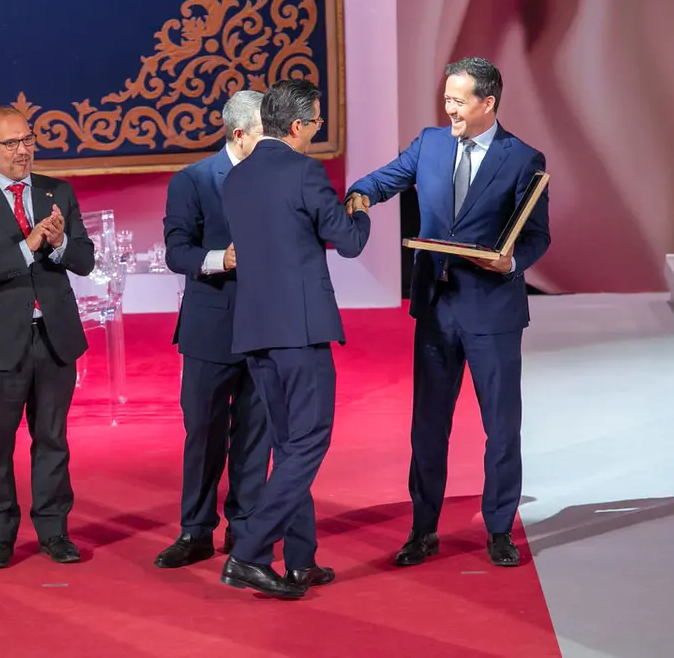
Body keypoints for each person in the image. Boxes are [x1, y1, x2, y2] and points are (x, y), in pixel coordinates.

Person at [345, 57, 549, 568]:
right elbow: (387, 179)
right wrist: (361, 195)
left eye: (458, 101)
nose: (449, 109)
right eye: (446, 99)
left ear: (488, 103)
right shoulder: (430, 144)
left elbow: (537, 235)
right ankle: (423, 529)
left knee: (501, 426)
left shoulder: (523, 158)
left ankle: (499, 529)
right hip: (436, 308)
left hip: (492, 310)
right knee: (428, 425)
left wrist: (511, 261)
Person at [218, 79, 371, 598]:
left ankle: (302, 561)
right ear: (299, 125)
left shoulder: (236, 178)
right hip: (299, 331)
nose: (317, 130)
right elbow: (348, 243)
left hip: (254, 330)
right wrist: (359, 208)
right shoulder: (305, 171)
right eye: (317, 122)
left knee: (288, 447)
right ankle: (249, 553)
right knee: (309, 442)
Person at [0, 106, 95, 569]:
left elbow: (85, 260)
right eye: (11, 143)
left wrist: (60, 243)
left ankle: (54, 531)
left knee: (52, 439)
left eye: (28, 139)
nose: (23, 150)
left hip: (54, 337)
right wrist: (28, 247)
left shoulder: (57, 192)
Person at [155, 90, 270, 568]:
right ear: (239, 134)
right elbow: (176, 250)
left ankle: (245, 529)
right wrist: (221, 259)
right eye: (266, 131)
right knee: (204, 432)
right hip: (211, 328)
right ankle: (195, 530)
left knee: (256, 434)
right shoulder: (194, 180)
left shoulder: (280, 177)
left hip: (268, 326)